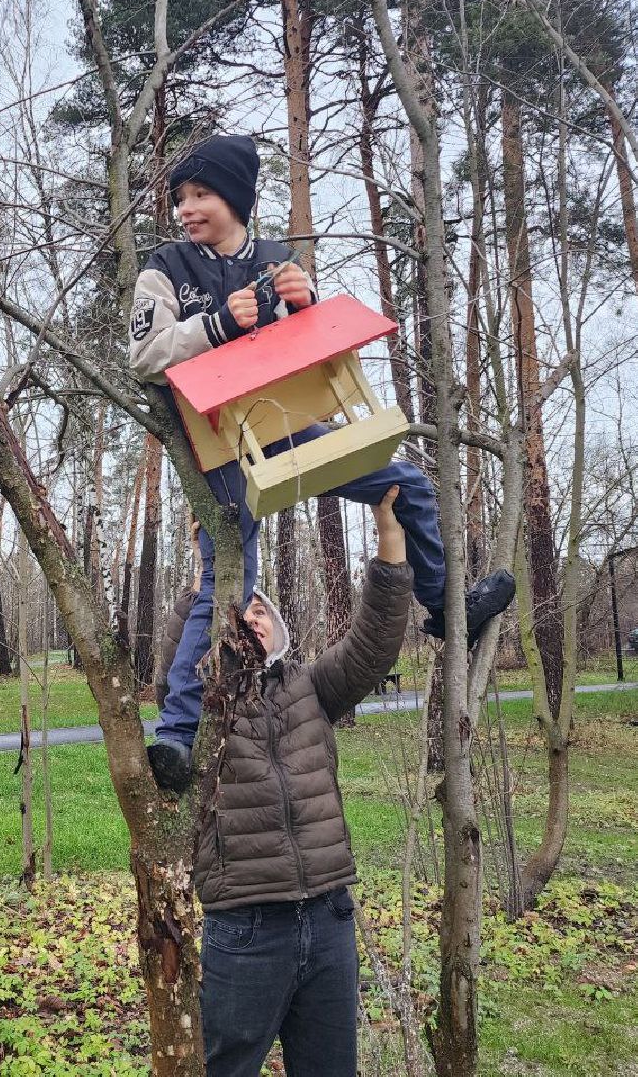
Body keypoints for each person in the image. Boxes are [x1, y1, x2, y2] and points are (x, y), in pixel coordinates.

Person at [128, 133, 515, 793]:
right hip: (218, 444)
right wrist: (216, 325)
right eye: (180, 198)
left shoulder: (275, 259)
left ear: (235, 198)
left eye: (201, 194)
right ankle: (176, 734)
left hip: (286, 425)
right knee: (231, 579)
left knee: (407, 484)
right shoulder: (165, 267)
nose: (186, 209)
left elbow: (309, 350)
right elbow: (145, 357)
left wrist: (304, 305)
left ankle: (447, 609)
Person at [162, 487, 411, 1076]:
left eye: (261, 614)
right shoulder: (205, 709)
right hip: (246, 925)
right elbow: (180, 656)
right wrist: (209, 572)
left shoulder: (311, 687)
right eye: (240, 611)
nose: (251, 618)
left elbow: (373, 644)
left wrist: (390, 536)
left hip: (328, 916)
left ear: (280, 635)